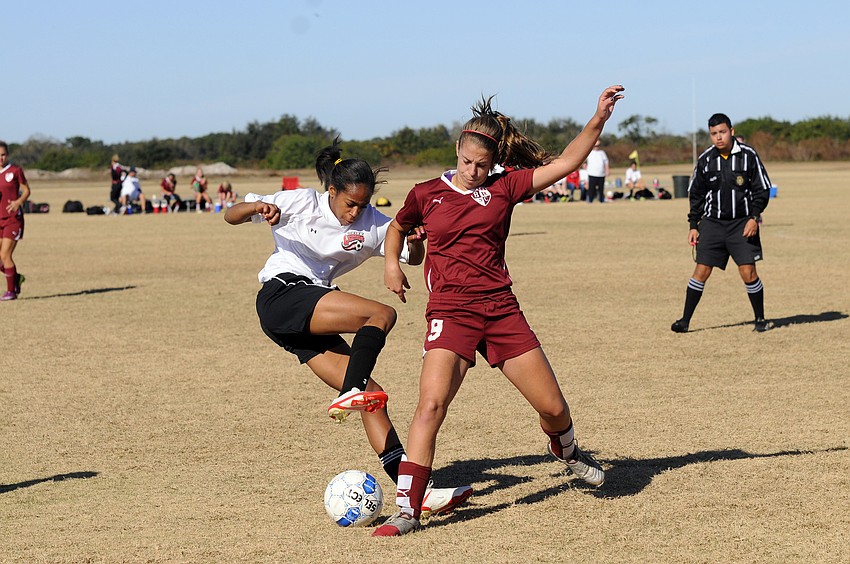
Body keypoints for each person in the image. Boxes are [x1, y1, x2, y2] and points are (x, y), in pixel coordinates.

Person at [375, 85, 624, 537]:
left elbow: (567, 162)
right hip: (451, 311)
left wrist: (598, 117)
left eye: (482, 165)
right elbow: (397, 228)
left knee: (553, 407)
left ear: (494, 162)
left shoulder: (505, 186)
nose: (473, 172)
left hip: (501, 310)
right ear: (457, 150)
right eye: (468, 162)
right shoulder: (425, 193)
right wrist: (394, 263)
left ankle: (566, 452)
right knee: (430, 405)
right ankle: (407, 509)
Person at [223, 141, 473, 517]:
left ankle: (415, 491)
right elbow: (230, 214)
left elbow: (411, 254)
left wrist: (417, 242)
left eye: (363, 204)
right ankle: (351, 388)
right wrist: (257, 207)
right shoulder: (303, 202)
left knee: (373, 397)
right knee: (381, 315)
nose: (355, 212)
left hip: (308, 313)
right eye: (349, 204)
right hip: (283, 294)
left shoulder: (374, 224)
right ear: (332, 191)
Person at [671, 113, 772, 333]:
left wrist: (754, 218)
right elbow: (695, 194)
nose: (719, 137)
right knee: (701, 271)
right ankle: (685, 321)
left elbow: (762, 190)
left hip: (742, 224)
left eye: (722, 132)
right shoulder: (706, 159)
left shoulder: (749, 156)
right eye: (714, 134)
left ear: (732, 131)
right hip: (712, 224)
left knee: (748, 273)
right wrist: (693, 225)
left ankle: (760, 319)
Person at [0, 141, 31, 301]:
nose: (0, 158)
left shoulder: (15, 171)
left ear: (8, 155)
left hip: (13, 219)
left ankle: (11, 291)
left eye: (3, 155)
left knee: (5, 255)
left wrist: (19, 202)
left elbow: (26, 190)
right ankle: (16, 278)